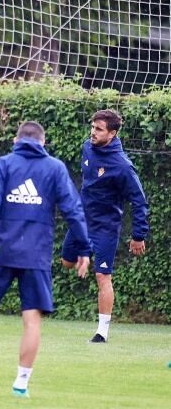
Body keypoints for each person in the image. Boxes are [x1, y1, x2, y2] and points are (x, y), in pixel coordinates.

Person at [0, 121, 91, 398]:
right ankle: (22, 383)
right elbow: (73, 209)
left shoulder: (2, 164)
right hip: (36, 254)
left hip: (1, 248)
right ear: (43, 143)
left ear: (15, 139)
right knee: (32, 320)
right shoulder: (54, 167)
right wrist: (84, 248)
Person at [61, 109, 149, 343]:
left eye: (98, 129)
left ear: (112, 133)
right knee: (66, 262)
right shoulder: (87, 148)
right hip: (81, 222)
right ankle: (84, 254)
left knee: (103, 276)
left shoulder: (123, 166)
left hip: (106, 228)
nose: (93, 132)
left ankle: (102, 332)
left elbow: (139, 201)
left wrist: (138, 235)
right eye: (92, 127)